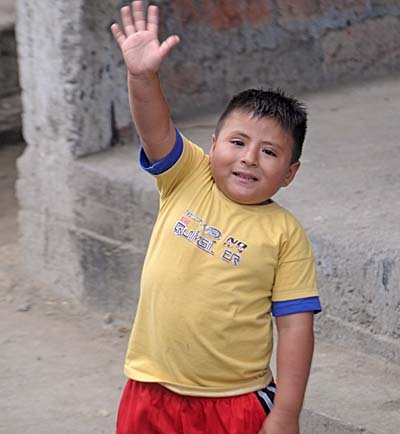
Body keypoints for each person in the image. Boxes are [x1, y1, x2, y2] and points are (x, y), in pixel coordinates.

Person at [111, 2, 321, 433]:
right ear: (213, 143)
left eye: (269, 152)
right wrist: (142, 76)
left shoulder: (285, 235)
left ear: (289, 174)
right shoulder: (190, 175)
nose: (249, 159)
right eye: (238, 142)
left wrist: (285, 413)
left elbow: (296, 326)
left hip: (234, 403)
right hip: (150, 388)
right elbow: (154, 128)